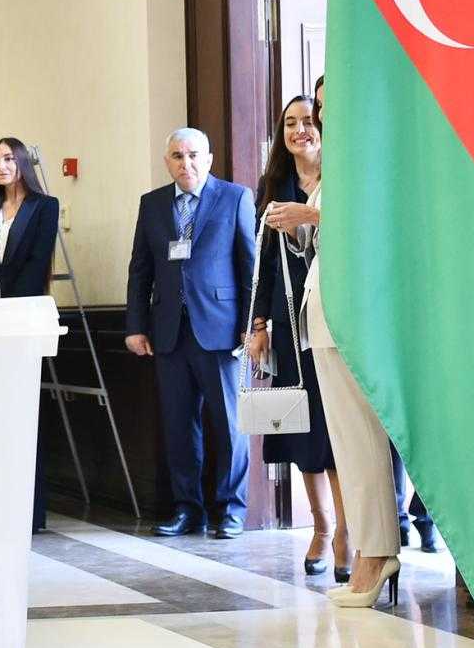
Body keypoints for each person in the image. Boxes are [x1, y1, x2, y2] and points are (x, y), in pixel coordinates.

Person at [298, 75, 402, 608]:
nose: (322, 114)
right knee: (347, 439)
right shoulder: (333, 162)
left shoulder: (375, 151)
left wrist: (310, 214)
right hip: (326, 305)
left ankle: (375, 550)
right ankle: (370, 546)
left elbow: (372, 220)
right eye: (318, 105)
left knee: (363, 436)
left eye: (330, 102)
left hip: (360, 307)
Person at [124, 128, 257, 540]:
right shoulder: (152, 204)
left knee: (231, 425)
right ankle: (188, 509)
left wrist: (252, 326)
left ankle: (231, 510)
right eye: (178, 156)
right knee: (180, 427)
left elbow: (248, 264)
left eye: (194, 155)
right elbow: (140, 268)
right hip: (168, 332)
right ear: (167, 161)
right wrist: (135, 326)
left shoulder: (235, 197)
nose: (187, 163)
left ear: (209, 158)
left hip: (221, 331)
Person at [249, 97, 347, 578]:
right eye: (290, 123)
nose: (300, 130)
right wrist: (259, 326)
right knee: (302, 429)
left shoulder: (341, 179)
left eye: (308, 121)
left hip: (335, 321)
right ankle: (321, 527)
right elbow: (262, 266)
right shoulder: (273, 188)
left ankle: (350, 532)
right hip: (290, 327)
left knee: (336, 431)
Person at [0, 137, 61, 532]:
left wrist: (7, 313)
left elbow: (37, 265)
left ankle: (31, 511)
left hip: (21, 319)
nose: (0, 166)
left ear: (21, 163)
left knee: (25, 416)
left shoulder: (44, 207)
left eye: (7, 159)